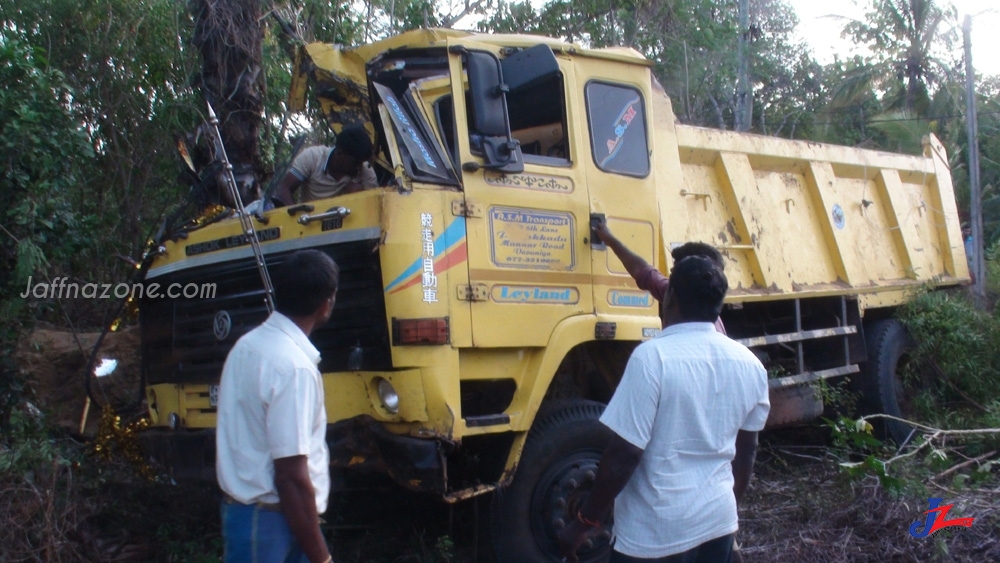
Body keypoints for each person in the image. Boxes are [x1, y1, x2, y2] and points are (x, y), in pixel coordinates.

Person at [558, 256, 770, 563]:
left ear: (670, 297)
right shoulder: (750, 364)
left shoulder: (652, 358)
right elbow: (747, 451)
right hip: (718, 521)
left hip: (655, 533)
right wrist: (725, 511)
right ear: (718, 305)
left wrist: (585, 521)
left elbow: (624, 454)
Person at [216, 250, 339, 563]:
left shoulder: (246, 346)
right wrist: (321, 558)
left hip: (246, 514)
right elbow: (290, 477)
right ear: (327, 303)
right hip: (275, 522)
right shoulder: (294, 367)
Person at [593, 216, 726, 334]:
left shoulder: (675, 293)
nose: (671, 274)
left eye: (675, 270)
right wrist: (610, 239)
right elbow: (642, 270)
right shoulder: (677, 291)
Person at [273, 125, 377, 205]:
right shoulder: (312, 158)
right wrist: (296, 217)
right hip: (310, 223)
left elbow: (373, 207)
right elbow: (284, 188)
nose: (359, 167)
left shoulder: (366, 171)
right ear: (339, 153)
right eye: (355, 163)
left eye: (361, 163)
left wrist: (361, 196)